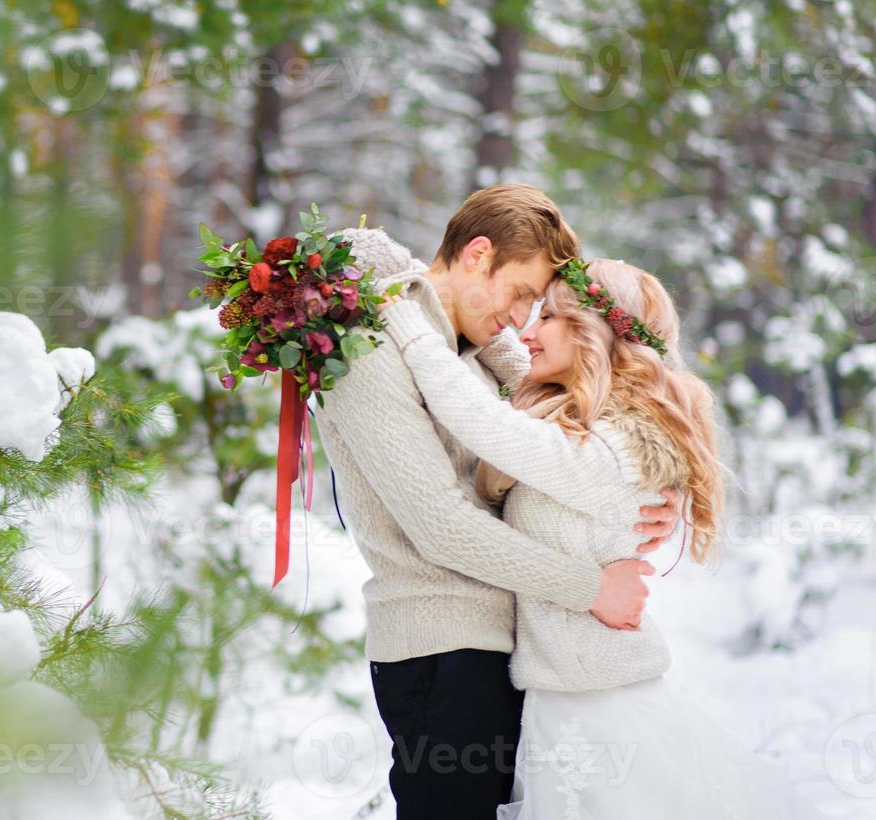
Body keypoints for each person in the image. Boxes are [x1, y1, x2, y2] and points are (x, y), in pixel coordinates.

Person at [375, 256, 820, 817]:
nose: (527, 332)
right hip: (565, 698)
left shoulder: (615, 448)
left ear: (596, 332)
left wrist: (408, 326)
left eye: (549, 318)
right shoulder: (595, 427)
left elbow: (481, 423)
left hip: (599, 707)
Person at [313, 184, 681, 819]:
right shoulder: (371, 347)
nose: (522, 320)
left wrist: (653, 487)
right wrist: (592, 588)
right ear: (477, 254)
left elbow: (588, 405)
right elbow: (442, 528)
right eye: (520, 295)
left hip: (506, 650)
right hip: (441, 647)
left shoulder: (470, 344)